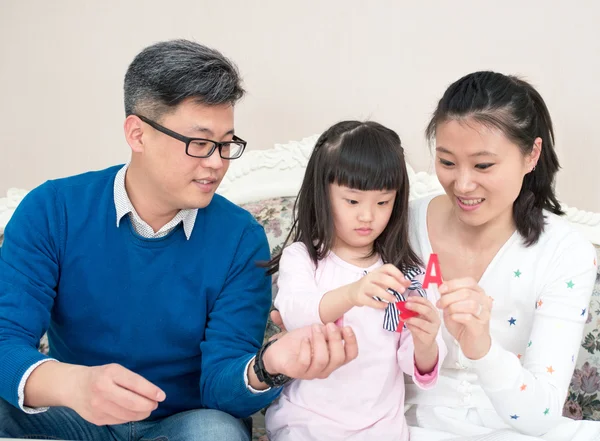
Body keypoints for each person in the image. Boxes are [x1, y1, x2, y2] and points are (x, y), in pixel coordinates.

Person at [0, 40, 358, 441]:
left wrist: (266, 366)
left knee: (216, 432)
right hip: (73, 414)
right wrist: (71, 384)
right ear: (137, 134)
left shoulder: (240, 238)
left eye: (226, 144)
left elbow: (223, 387)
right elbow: (4, 337)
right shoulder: (53, 210)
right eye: (200, 143)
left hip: (183, 421)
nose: (217, 163)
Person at [404, 71, 600, 441]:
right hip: (408, 428)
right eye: (447, 162)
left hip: (518, 429)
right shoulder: (401, 224)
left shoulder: (564, 253)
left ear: (531, 155)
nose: (462, 184)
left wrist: (483, 349)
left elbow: (540, 416)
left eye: (483, 166)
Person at [264, 121, 447, 441]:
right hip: (307, 423)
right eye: (352, 201)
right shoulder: (304, 258)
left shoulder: (404, 273)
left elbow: (413, 366)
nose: (368, 216)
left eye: (382, 202)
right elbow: (296, 312)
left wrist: (427, 340)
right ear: (323, 194)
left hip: (380, 429)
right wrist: (353, 293)